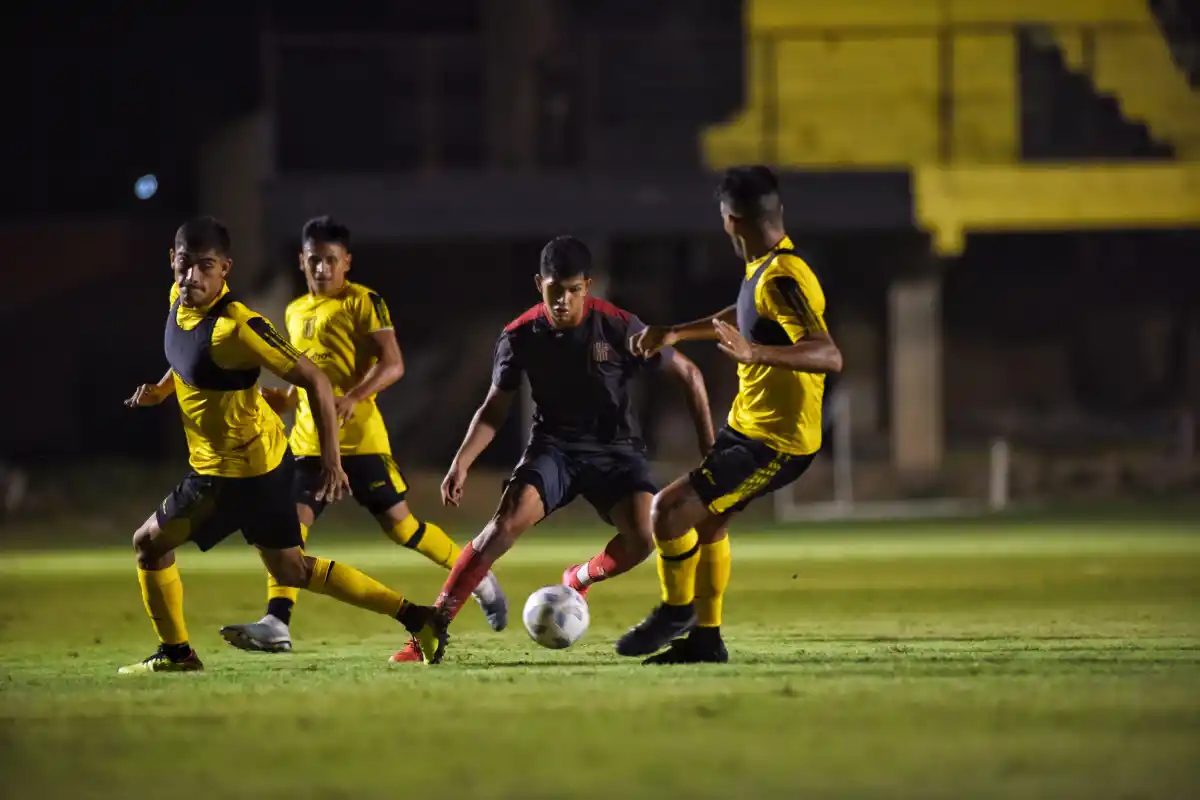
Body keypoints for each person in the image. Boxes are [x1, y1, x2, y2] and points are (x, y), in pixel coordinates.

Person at [120, 216, 440, 674]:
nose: (192, 276)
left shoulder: (239, 325)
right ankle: (418, 618)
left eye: (205, 266)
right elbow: (190, 358)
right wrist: (161, 389)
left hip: (233, 473)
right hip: (248, 467)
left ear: (225, 269)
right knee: (293, 571)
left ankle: (176, 654)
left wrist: (332, 461)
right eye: (185, 264)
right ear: (172, 260)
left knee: (148, 544)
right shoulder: (178, 301)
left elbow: (316, 380)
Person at [392, 235, 716, 664]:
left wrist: (710, 447)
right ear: (538, 285)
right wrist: (462, 461)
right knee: (502, 526)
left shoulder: (619, 326)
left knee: (643, 536)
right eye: (554, 290)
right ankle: (432, 629)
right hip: (554, 449)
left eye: (573, 290)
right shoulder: (520, 335)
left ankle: (579, 578)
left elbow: (690, 374)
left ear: (588, 286)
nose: (563, 300)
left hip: (615, 452)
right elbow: (494, 408)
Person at [218, 216, 506, 657]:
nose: (322, 268)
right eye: (314, 260)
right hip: (309, 446)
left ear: (347, 262)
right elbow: (311, 380)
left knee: (403, 528)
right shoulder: (294, 312)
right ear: (301, 261)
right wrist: (284, 399)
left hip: (361, 443)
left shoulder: (363, 302)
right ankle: (277, 622)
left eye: (331, 260)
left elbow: (394, 363)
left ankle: (477, 574)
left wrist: (355, 396)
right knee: (287, 535)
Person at [616, 166, 843, 664]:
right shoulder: (768, 267)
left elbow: (828, 354)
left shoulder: (783, 278)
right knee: (709, 525)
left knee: (668, 511)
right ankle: (706, 640)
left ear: (729, 220)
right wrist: (675, 331)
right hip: (749, 427)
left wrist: (755, 354)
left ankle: (677, 611)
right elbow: (743, 315)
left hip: (775, 442)